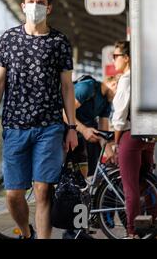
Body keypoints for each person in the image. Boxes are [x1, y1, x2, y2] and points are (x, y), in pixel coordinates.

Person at [0, 0, 78, 240]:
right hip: (15, 127)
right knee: (14, 194)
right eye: (32, 2)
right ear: (23, 5)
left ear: (49, 8)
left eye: (41, 2)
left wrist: (71, 127)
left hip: (49, 127)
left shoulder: (59, 42)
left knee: (43, 189)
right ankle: (27, 233)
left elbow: (67, 88)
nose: (35, 6)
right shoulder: (9, 39)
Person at [105, 40, 156, 238]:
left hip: (130, 136)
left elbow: (119, 116)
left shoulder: (126, 79)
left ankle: (132, 232)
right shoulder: (145, 78)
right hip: (148, 136)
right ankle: (153, 223)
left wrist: (116, 142)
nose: (113, 60)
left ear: (126, 58)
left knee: (130, 188)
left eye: (116, 56)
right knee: (147, 183)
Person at [62, 75, 118, 239]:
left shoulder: (107, 102)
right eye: (119, 91)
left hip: (85, 135)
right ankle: (72, 230)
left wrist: (109, 152)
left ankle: (80, 228)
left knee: (86, 184)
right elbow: (65, 113)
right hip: (69, 132)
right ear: (113, 84)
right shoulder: (88, 88)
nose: (119, 96)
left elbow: (103, 130)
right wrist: (84, 130)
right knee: (77, 183)